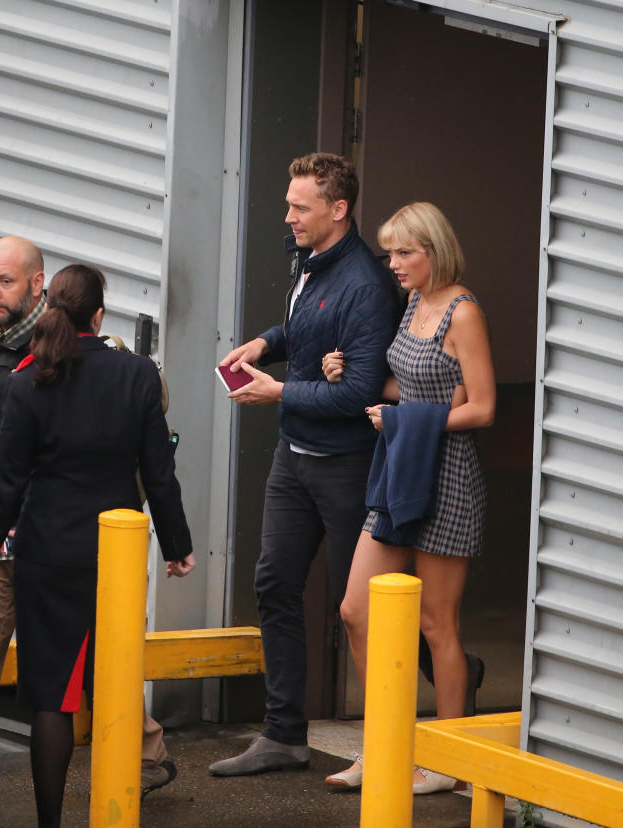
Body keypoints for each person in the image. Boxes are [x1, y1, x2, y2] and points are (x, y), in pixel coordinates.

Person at [0, 238, 178, 824]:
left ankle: (115, 775)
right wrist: (177, 544)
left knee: (70, 683)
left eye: (4, 281)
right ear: (95, 313)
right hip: (65, 543)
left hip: (41, 542)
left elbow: (12, 475)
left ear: (41, 288)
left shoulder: (41, 371)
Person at [211, 153, 401, 776]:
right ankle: (284, 734)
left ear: (337, 210)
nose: (287, 216)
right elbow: (304, 326)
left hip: (348, 467)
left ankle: (421, 703)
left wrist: (277, 392)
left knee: (363, 610)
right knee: (273, 585)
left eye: (300, 207)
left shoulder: (369, 287)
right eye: (289, 204)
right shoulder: (310, 263)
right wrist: (268, 341)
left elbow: (360, 394)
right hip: (292, 460)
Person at [322, 202, 495, 794]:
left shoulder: (462, 311)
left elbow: (483, 405)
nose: (393, 263)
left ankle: (450, 762)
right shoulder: (414, 303)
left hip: (447, 476)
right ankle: (384, 747)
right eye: (390, 252)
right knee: (356, 609)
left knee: (435, 623)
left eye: (405, 253)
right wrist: (350, 373)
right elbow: (409, 381)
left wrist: (410, 421)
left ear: (434, 251)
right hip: (400, 470)